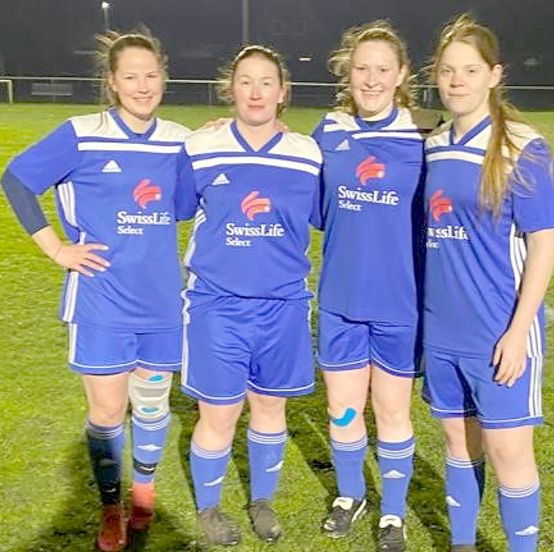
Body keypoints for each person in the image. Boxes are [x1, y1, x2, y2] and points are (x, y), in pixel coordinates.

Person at [0, 29, 191, 552]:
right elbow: (16, 180)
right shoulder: (81, 134)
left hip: (161, 303)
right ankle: (110, 506)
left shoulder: (180, 140)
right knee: (107, 413)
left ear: (164, 77)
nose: (142, 86)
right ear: (112, 82)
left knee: (150, 408)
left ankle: (144, 494)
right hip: (101, 301)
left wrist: (218, 135)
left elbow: (187, 203)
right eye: (131, 77)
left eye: (151, 75)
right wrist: (56, 249)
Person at [422, 14, 554, 552]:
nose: (457, 81)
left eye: (470, 70)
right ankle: (462, 544)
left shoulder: (522, 147)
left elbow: (543, 244)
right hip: (443, 331)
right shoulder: (433, 143)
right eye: (447, 70)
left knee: (508, 453)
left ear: (494, 75)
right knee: (458, 443)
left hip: (498, 331)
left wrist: (518, 332)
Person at [176, 45, 322, 547]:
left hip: (283, 306)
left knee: (270, 409)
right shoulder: (201, 146)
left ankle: (261, 499)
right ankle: (209, 507)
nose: (255, 92)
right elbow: (176, 208)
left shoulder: (308, 154)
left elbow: (327, 214)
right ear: (230, 89)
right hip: (217, 305)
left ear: (283, 92)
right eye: (245, 81)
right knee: (219, 413)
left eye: (266, 82)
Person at [310, 20, 425, 552]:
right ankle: (351, 495)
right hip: (341, 301)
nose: (372, 79)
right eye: (362, 68)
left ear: (401, 75)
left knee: (392, 412)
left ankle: (393, 511)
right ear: (347, 72)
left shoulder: (424, 138)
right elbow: (305, 198)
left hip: (399, 304)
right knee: (343, 409)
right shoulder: (329, 131)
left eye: (383, 69)